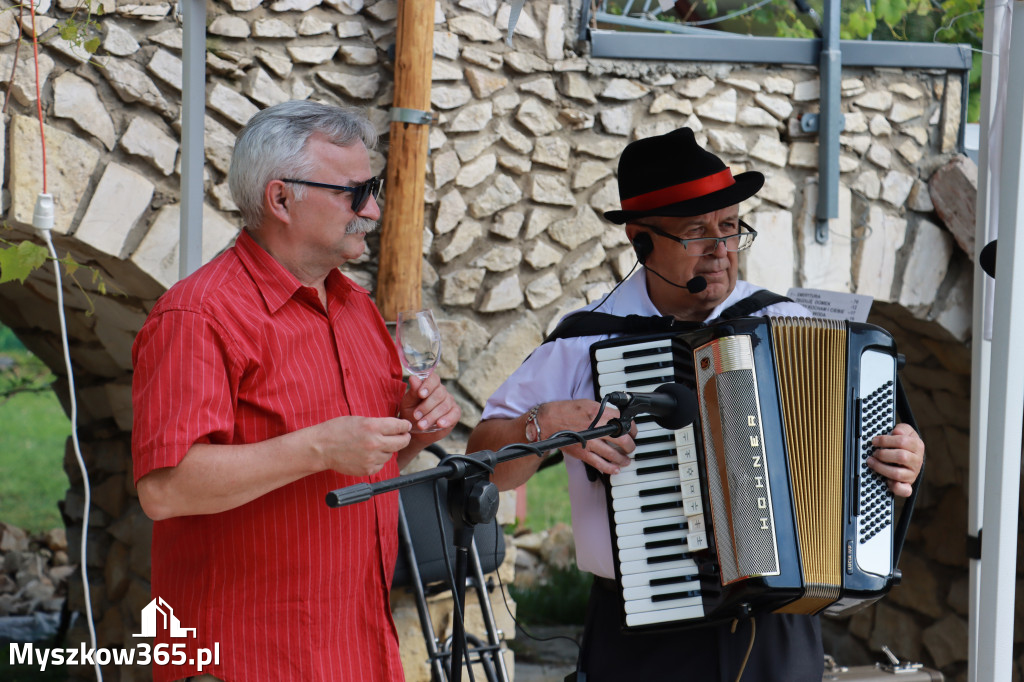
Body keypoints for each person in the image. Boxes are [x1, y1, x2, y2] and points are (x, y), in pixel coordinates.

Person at [466, 127, 925, 682]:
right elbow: (484, 463)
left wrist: (900, 456)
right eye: (697, 232)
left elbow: (862, 457)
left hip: (779, 629)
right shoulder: (583, 340)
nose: (721, 248)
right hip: (644, 630)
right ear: (640, 241)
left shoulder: (789, 325)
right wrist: (551, 423)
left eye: (730, 227)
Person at [131, 100, 461, 682]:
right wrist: (317, 448)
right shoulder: (197, 315)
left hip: (356, 649)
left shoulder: (356, 308)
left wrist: (411, 435)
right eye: (353, 194)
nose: (374, 210)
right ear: (280, 199)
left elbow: (355, 469)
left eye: (374, 188)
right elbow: (165, 489)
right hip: (242, 658)